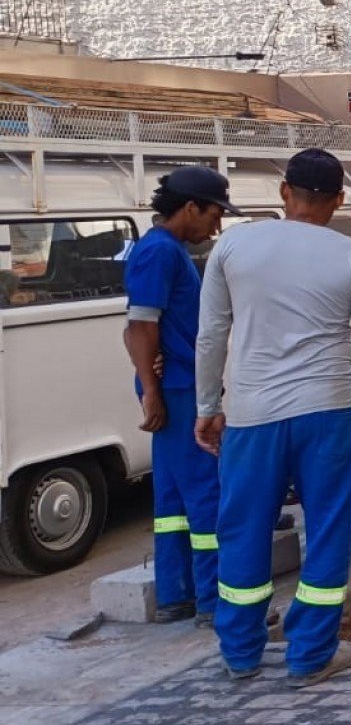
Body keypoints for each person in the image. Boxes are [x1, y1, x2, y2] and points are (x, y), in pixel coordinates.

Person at [195, 148, 351, 687]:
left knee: (243, 530)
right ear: (339, 200)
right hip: (328, 412)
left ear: (283, 193)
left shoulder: (234, 245)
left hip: (252, 415)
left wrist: (206, 408)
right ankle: (311, 655)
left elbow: (210, 337)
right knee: (330, 532)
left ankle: (241, 654)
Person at [125, 166, 236, 628]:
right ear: (190, 207)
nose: (216, 225)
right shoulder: (160, 254)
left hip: (170, 386)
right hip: (178, 389)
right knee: (207, 493)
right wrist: (152, 390)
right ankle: (214, 601)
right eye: (214, 214)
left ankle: (175, 594)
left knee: (172, 498)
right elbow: (140, 326)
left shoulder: (162, 250)